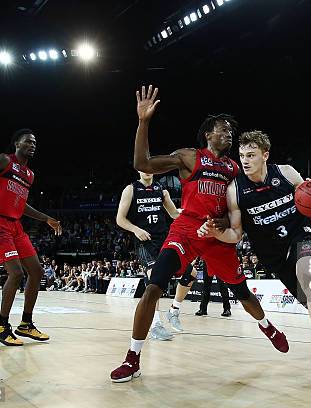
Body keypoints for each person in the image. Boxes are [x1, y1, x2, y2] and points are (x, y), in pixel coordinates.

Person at [110, 85, 288, 383]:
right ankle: (132, 358)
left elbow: (241, 205)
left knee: (242, 292)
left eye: (231, 129)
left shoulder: (234, 168)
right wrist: (143, 121)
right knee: (154, 286)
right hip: (186, 229)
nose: (229, 133)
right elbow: (142, 164)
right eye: (223, 129)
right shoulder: (190, 157)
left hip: (217, 235)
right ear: (208, 134)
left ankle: (267, 325)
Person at [198, 130, 311, 374]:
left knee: (309, 280)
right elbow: (236, 234)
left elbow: (310, 195)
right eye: (242, 155)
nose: (245, 160)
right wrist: (215, 233)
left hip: (300, 237)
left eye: (251, 155)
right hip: (273, 256)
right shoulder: (235, 190)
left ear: (265, 155)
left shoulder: (285, 172)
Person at [0, 129, 62, 346]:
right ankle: (1, 327)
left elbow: (21, 204)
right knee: (15, 273)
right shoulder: (2, 160)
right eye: (28, 141)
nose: (32, 144)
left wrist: (45, 218)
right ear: (16, 143)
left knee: (37, 272)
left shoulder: (29, 175)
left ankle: (26, 324)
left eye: (35, 142)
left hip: (15, 226)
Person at [116, 170, 188, 340]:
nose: (147, 170)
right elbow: (120, 219)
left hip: (164, 239)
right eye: (143, 167)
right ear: (138, 170)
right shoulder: (131, 189)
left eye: (150, 167)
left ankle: (174, 310)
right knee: (154, 277)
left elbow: (174, 214)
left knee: (190, 273)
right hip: (144, 241)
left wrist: (190, 212)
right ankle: (155, 324)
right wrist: (135, 229)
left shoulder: (161, 190)